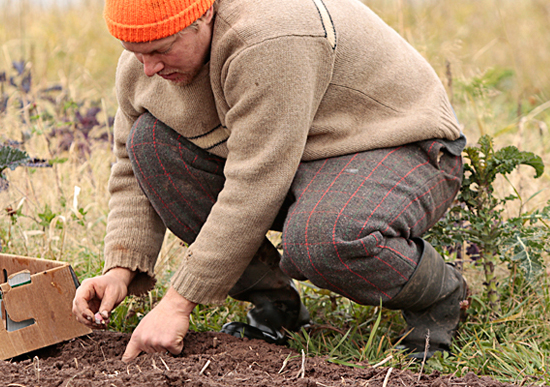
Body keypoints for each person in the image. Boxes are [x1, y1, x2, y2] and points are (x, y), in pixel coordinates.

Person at [72, 0, 469, 362]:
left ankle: (441, 294)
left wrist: (178, 303)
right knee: (151, 143)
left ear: (204, 15)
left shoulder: (269, 37)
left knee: (324, 237)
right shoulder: (145, 65)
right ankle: (274, 304)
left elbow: (255, 181)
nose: (149, 69)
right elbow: (130, 163)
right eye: (136, 53)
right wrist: (119, 269)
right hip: (302, 154)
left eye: (161, 50)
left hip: (399, 146)